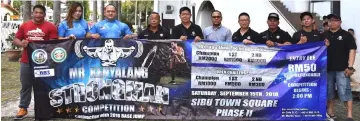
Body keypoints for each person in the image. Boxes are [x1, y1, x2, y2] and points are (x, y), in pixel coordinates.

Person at [12, 5, 58, 120]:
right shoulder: (25, 26)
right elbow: (16, 39)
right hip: (26, 61)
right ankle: (23, 108)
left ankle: (47, 109)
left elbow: (54, 43)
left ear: (44, 14)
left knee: (45, 86)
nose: (38, 15)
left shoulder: (50, 26)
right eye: (36, 12)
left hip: (44, 62)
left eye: (41, 13)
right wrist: (21, 43)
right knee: (26, 85)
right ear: (32, 13)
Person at [324, 14, 357, 121]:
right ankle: (330, 112)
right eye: (330, 20)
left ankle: (349, 116)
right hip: (327, 69)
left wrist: (350, 67)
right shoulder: (323, 35)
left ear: (340, 22)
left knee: (345, 92)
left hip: (342, 69)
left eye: (334, 20)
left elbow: (352, 50)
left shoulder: (347, 35)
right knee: (329, 92)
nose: (332, 22)